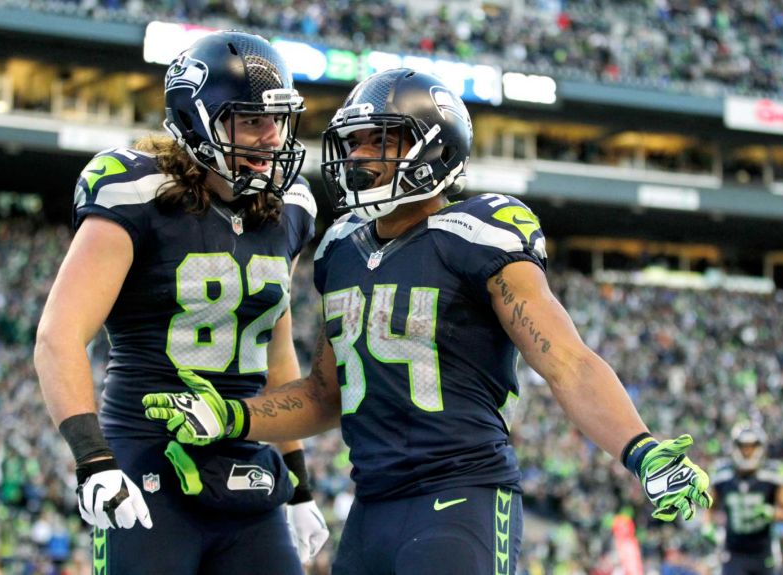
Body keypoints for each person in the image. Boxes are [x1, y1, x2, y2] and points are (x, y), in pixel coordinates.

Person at [142, 68, 712, 574]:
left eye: (381, 139)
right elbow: (324, 395)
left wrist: (640, 448)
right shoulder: (340, 248)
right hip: (371, 510)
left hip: (462, 495)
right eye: (356, 140)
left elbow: (566, 362)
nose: (362, 155)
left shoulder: (476, 234)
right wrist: (229, 417)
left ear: (433, 148)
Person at [34, 31, 328, 575]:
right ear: (195, 120)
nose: (271, 137)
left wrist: (299, 481)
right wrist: (93, 462)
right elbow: (59, 335)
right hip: (148, 463)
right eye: (250, 120)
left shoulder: (289, 209)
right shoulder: (135, 192)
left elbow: (275, 352)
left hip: (247, 461)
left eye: (278, 119)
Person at [709, 425, 783, 575]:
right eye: (743, 446)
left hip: (763, 552)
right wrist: (709, 527)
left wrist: (772, 513)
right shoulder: (722, 474)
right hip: (734, 552)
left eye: (752, 446)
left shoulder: (772, 475)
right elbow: (708, 506)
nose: (747, 451)